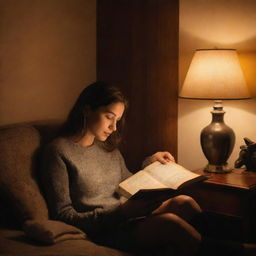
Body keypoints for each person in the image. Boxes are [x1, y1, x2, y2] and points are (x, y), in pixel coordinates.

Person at [40, 81, 256, 256]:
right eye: (109, 117)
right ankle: (238, 251)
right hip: (107, 228)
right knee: (170, 223)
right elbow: (63, 215)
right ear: (86, 110)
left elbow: (127, 183)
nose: (114, 127)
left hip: (130, 215)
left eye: (118, 120)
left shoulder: (106, 148)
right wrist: (122, 212)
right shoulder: (58, 152)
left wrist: (150, 163)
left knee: (185, 202)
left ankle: (231, 245)